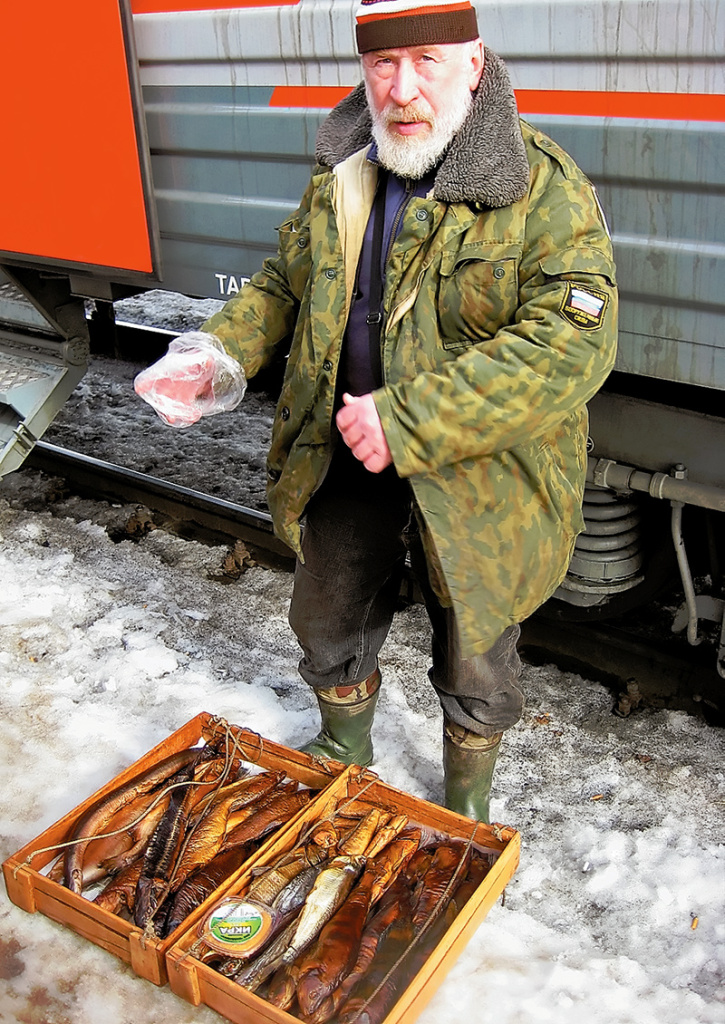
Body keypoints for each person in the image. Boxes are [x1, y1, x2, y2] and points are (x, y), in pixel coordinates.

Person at [135, 0, 618, 823]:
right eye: (382, 66)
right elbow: (286, 282)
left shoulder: (541, 185)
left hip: (476, 475)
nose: (402, 89)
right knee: (325, 619)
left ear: (473, 65)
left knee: (475, 652)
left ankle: (464, 802)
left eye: (426, 61)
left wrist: (415, 418)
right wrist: (215, 353)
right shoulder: (345, 172)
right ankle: (345, 748)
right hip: (343, 452)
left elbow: (570, 345)